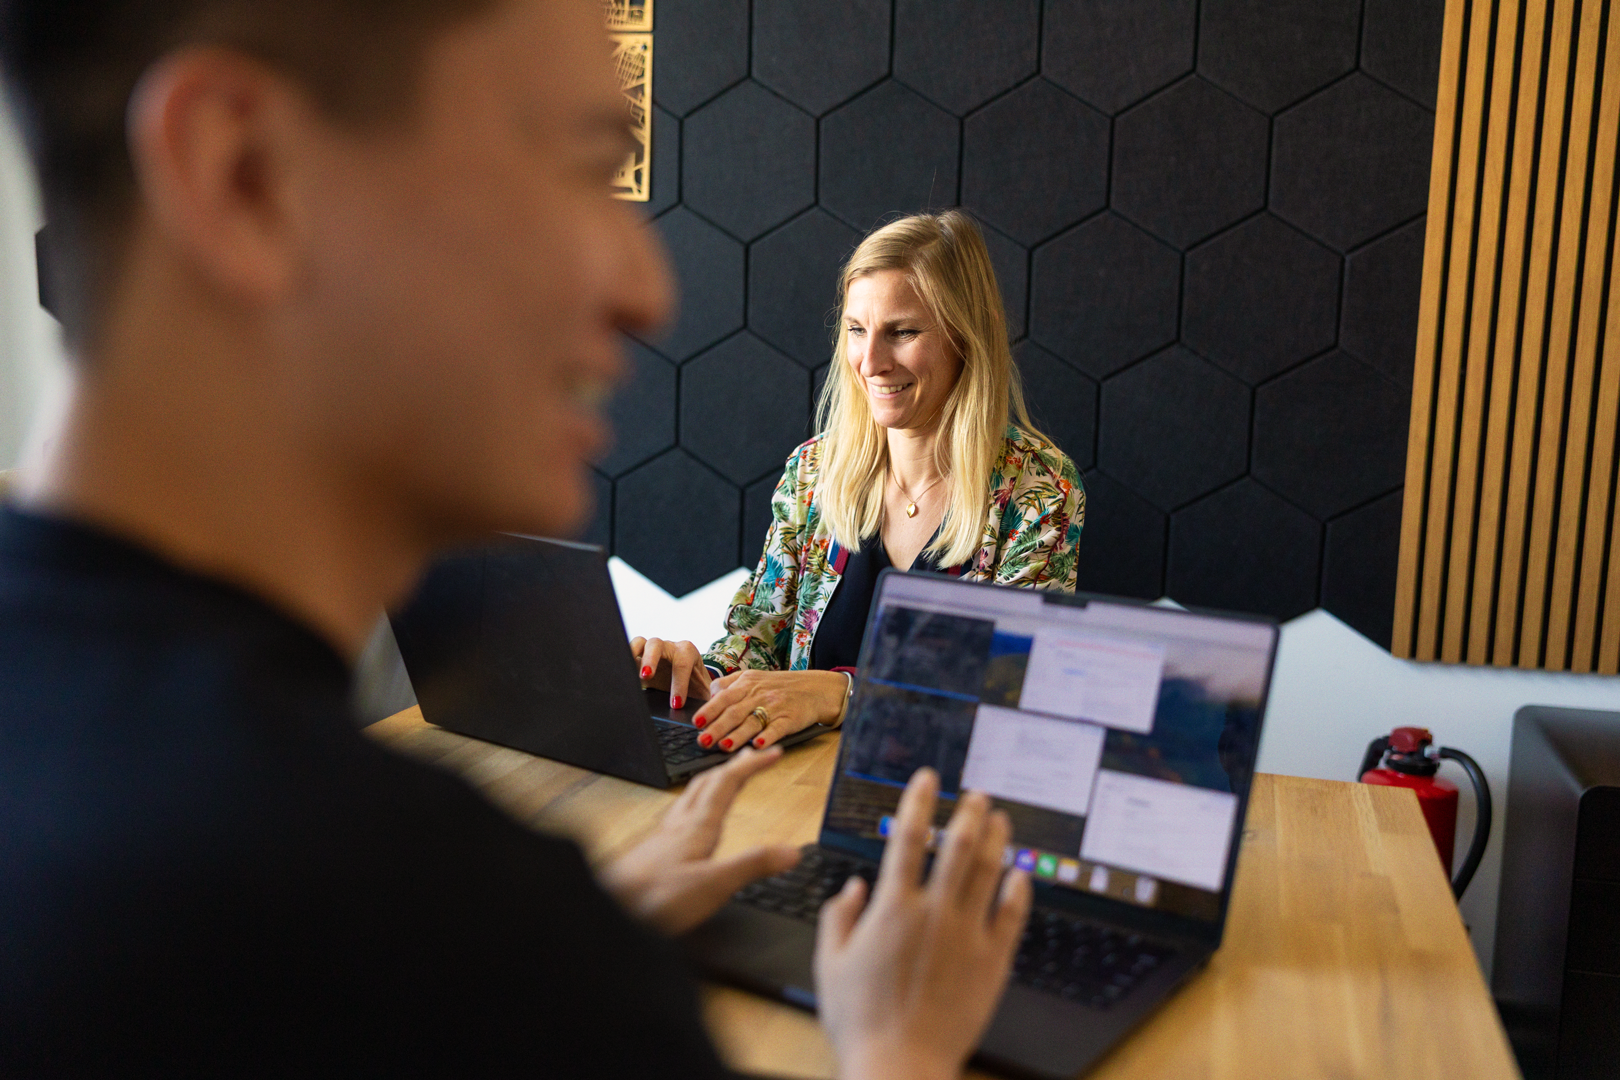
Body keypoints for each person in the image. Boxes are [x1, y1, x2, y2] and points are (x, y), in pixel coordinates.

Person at [0, 1, 1031, 1076]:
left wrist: (603, 920)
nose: (646, 289)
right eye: (579, 168)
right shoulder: (488, 945)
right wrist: (901, 1049)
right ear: (244, 178)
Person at [636, 212, 1084, 755]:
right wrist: (696, 678)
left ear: (968, 336)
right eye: (856, 330)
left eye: (903, 332)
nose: (870, 362)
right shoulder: (812, 472)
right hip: (784, 785)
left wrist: (844, 693)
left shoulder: (1041, 488)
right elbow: (758, 640)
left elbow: (1012, 687)